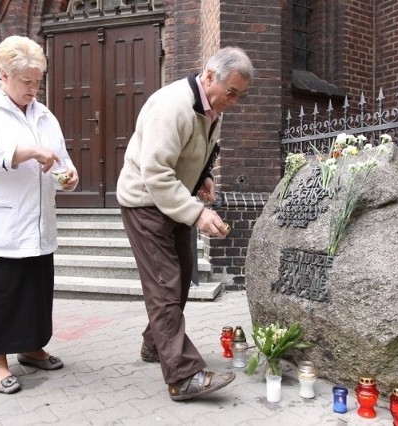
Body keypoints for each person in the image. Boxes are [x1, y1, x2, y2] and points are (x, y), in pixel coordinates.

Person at [116, 46, 254, 401]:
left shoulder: (211, 108)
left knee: (180, 281)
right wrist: (197, 213)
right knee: (165, 284)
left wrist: (203, 178)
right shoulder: (172, 105)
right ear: (209, 76)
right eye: (231, 92)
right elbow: (156, 172)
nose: (234, 101)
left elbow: (198, 151)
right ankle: (182, 375)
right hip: (145, 202)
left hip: (174, 201)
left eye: (239, 95)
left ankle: (154, 346)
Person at [0, 35, 79, 394]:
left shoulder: (44, 115)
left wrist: (68, 177)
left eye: (38, 80)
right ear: (3, 75)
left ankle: (31, 347)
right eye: (26, 81)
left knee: (34, 291)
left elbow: (60, 159)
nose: (33, 87)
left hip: (37, 222)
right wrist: (24, 151)